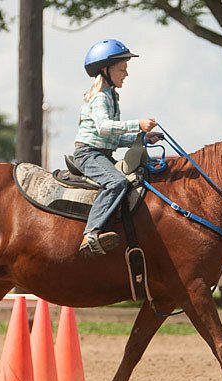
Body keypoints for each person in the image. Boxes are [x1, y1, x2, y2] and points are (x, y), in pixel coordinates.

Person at [73, 39, 163, 257]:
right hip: (89, 154)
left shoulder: (112, 97)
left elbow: (111, 139)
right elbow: (104, 128)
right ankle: (91, 233)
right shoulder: (101, 98)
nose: (126, 74)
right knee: (116, 182)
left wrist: (142, 137)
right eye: (122, 69)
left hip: (101, 152)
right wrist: (137, 124)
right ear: (105, 70)